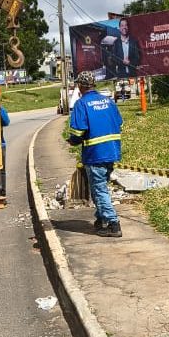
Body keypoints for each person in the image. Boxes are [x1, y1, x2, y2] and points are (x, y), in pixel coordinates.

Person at [66, 71, 124, 237]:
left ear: (80, 86)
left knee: (98, 190)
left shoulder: (81, 104)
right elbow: (119, 124)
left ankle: (113, 224)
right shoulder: (108, 101)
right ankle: (101, 220)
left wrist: (72, 141)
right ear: (93, 84)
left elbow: (78, 132)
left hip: (95, 154)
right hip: (112, 151)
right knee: (101, 188)